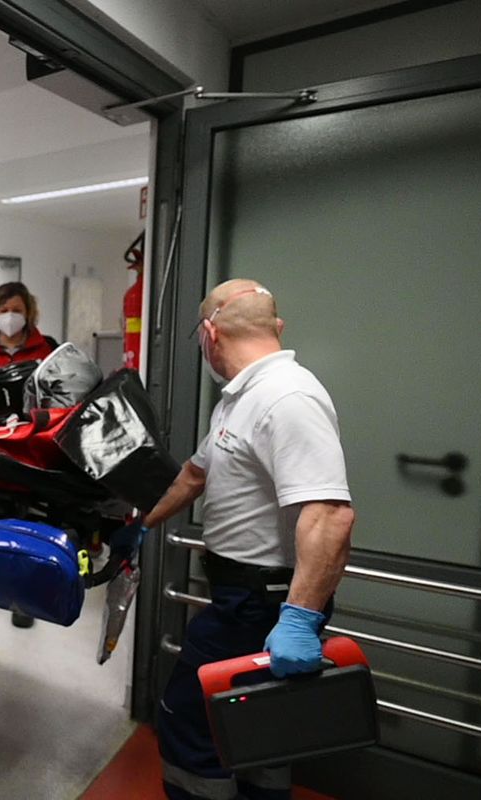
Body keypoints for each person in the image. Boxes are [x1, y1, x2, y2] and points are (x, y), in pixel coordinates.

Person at [140, 279, 356, 800]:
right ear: (276, 327)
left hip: (264, 603)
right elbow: (194, 475)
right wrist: (141, 523)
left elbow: (329, 514)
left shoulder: (288, 396)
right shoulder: (240, 398)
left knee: (190, 723)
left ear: (209, 333)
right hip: (242, 597)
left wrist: (299, 621)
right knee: (258, 727)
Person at [0, 281, 56, 365]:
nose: (10, 316)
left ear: (28, 313)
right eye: (4, 311)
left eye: (17, 311)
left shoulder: (48, 347)